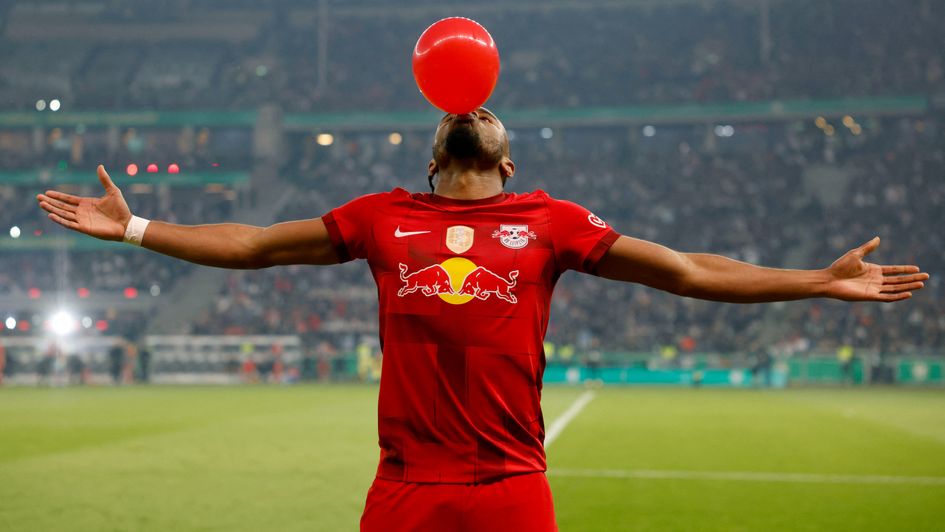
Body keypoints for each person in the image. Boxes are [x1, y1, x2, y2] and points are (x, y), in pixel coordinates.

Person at [36, 108, 928, 531]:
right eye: (459, 114)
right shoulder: (381, 218)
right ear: (438, 157)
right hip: (404, 488)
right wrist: (139, 227)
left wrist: (815, 279)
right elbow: (254, 244)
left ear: (506, 157)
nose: (473, 112)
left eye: (485, 113)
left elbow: (691, 271)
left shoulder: (552, 222)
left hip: (509, 484)